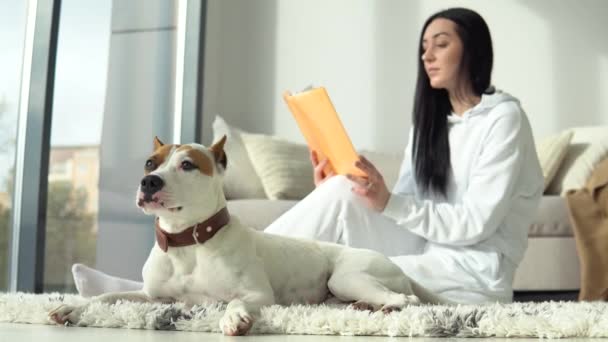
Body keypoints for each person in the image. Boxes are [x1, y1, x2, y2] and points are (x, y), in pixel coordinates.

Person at [72, 7, 543, 304]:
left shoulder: (505, 121)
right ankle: (178, 280)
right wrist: (353, 193)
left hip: (469, 274)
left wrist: (386, 202)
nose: (428, 55)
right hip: (424, 250)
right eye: (424, 46)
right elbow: (406, 208)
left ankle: (144, 291)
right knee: (342, 188)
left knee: (356, 209)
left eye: (442, 43)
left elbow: (474, 225)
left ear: (474, 51)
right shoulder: (432, 125)